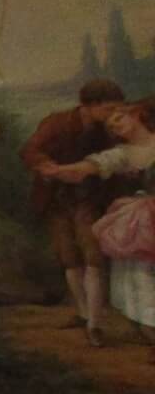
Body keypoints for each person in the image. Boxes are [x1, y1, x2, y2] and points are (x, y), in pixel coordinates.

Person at [41, 103, 155, 358]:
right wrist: (59, 170)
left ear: (136, 114)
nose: (115, 126)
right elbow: (87, 168)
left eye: (118, 118)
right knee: (135, 280)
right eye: (111, 125)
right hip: (142, 222)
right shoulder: (122, 153)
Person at [19, 78, 126, 345]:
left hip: (91, 198)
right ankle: (81, 312)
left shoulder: (110, 129)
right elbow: (30, 150)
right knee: (69, 258)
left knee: (93, 257)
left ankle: (95, 325)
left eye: (116, 108)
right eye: (109, 108)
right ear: (89, 106)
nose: (114, 114)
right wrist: (46, 166)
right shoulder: (57, 123)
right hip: (56, 198)